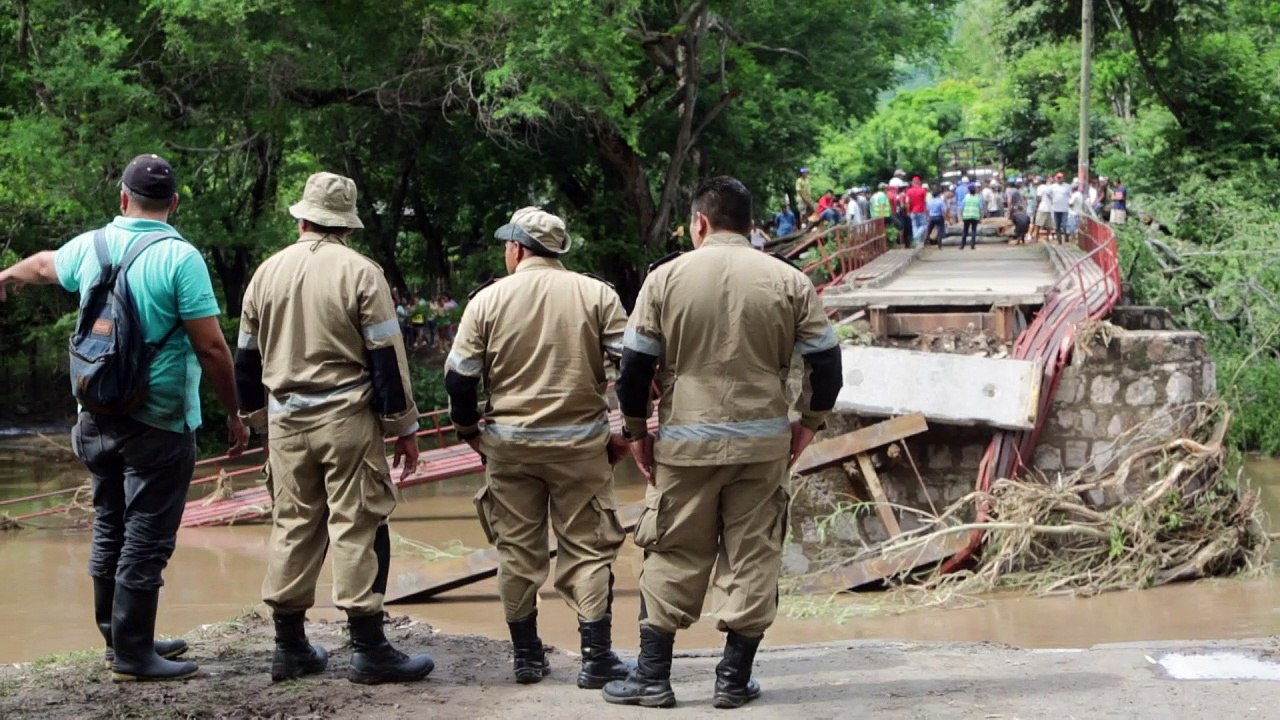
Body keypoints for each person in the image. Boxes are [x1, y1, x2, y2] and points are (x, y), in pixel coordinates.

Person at [0, 153, 249, 682]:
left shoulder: (90, 247)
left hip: (94, 414)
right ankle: (135, 653)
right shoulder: (181, 258)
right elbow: (211, 347)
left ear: (122, 198)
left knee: (110, 524)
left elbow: (44, 265)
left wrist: (6, 275)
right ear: (174, 203)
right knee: (146, 537)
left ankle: (120, 640)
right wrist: (235, 412)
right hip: (159, 420)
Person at [602, 176, 842, 710]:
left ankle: (653, 678)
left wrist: (637, 434)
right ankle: (732, 680)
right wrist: (808, 423)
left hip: (686, 446)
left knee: (671, 549)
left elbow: (634, 370)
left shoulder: (664, 280)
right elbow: (827, 365)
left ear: (700, 223)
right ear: (752, 225)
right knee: (753, 554)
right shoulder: (789, 281)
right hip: (763, 447)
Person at [235, 171, 433, 685]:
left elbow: (245, 359)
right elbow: (386, 357)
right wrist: (404, 426)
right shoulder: (361, 273)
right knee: (357, 522)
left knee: (293, 523)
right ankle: (368, 650)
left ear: (302, 217)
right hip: (345, 417)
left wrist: (256, 421)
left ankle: (289, 647)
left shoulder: (266, 272)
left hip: (284, 420)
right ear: (346, 224)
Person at [444, 207, 633, 688]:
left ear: (517, 248)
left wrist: (470, 433)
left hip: (509, 448)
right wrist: (629, 432)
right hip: (580, 447)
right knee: (588, 551)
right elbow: (632, 367)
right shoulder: (597, 295)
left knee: (517, 552)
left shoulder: (486, 302)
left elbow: (458, 378)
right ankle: (596, 660)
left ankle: (527, 658)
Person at [904, 176, 928, 247]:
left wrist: (908, 211)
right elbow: (924, 202)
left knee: (914, 226)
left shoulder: (908, 191)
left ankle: (917, 242)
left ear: (912, 183)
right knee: (923, 226)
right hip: (921, 210)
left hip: (912, 211)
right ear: (919, 182)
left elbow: (907, 202)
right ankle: (916, 238)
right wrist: (926, 210)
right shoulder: (923, 190)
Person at [1050, 173, 1072, 243]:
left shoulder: (1067, 186)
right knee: (1057, 225)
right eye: (1058, 178)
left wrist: (1069, 203)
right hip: (1056, 209)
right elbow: (1048, 195)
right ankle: (1059, 239)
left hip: (1064, 209)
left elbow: (1070, 196)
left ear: (1063, 178)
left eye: (1060, 178)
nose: (1059, 179)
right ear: (1056, 178)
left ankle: (1066, 236)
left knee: (1064, 224)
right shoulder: (1052, 187)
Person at [960, 182, 982, 250]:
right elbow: (980, 209)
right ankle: (972, 246)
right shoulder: (978, 198)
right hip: (975, 217)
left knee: (965, 231)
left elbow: (962, 208)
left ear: (968, 190)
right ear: (975, 190)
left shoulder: (966, 197)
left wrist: (961, 216)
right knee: (973, 231)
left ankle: (962, 246)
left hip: (966, 216)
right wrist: (980, 218)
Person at [1034, 176, 1054, 242]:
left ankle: (1036, 238)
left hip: (1042, 207)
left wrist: (1037, 205)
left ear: (1040, 182)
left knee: (1038, 224)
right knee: (1048, 225)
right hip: (1049, 208)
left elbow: (1039, 198)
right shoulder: (1049, 188)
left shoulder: (1040, 187)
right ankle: (1048, 237)